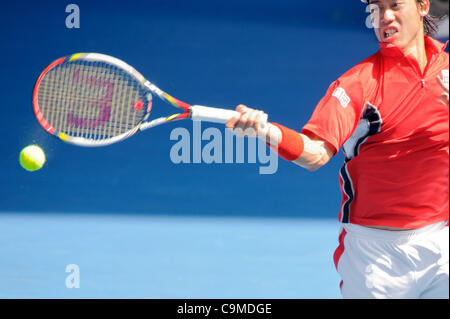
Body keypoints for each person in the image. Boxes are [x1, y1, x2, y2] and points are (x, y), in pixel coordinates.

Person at [226, 0, 449, 299]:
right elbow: (315, 153)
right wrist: (265, 130)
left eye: (395, 5)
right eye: (377, 9)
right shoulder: (358, 84)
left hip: (442, 242)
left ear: (423, 6)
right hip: (375, 259)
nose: (385, 17)